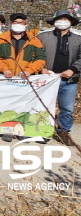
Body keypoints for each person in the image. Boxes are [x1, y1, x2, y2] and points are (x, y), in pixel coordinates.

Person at [38, 10, 81, 146]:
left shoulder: (78, 39)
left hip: (69, 79)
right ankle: (43, 129)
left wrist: (73, 70)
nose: (62, 22)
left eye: (66, 19)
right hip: (47, 78)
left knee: (67, 108)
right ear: (54, 21)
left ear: (71, 22)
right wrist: (41, 68)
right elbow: (35, 54)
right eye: (59, 19)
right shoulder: (42, 37)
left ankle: (63, 131)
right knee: (44, 105)